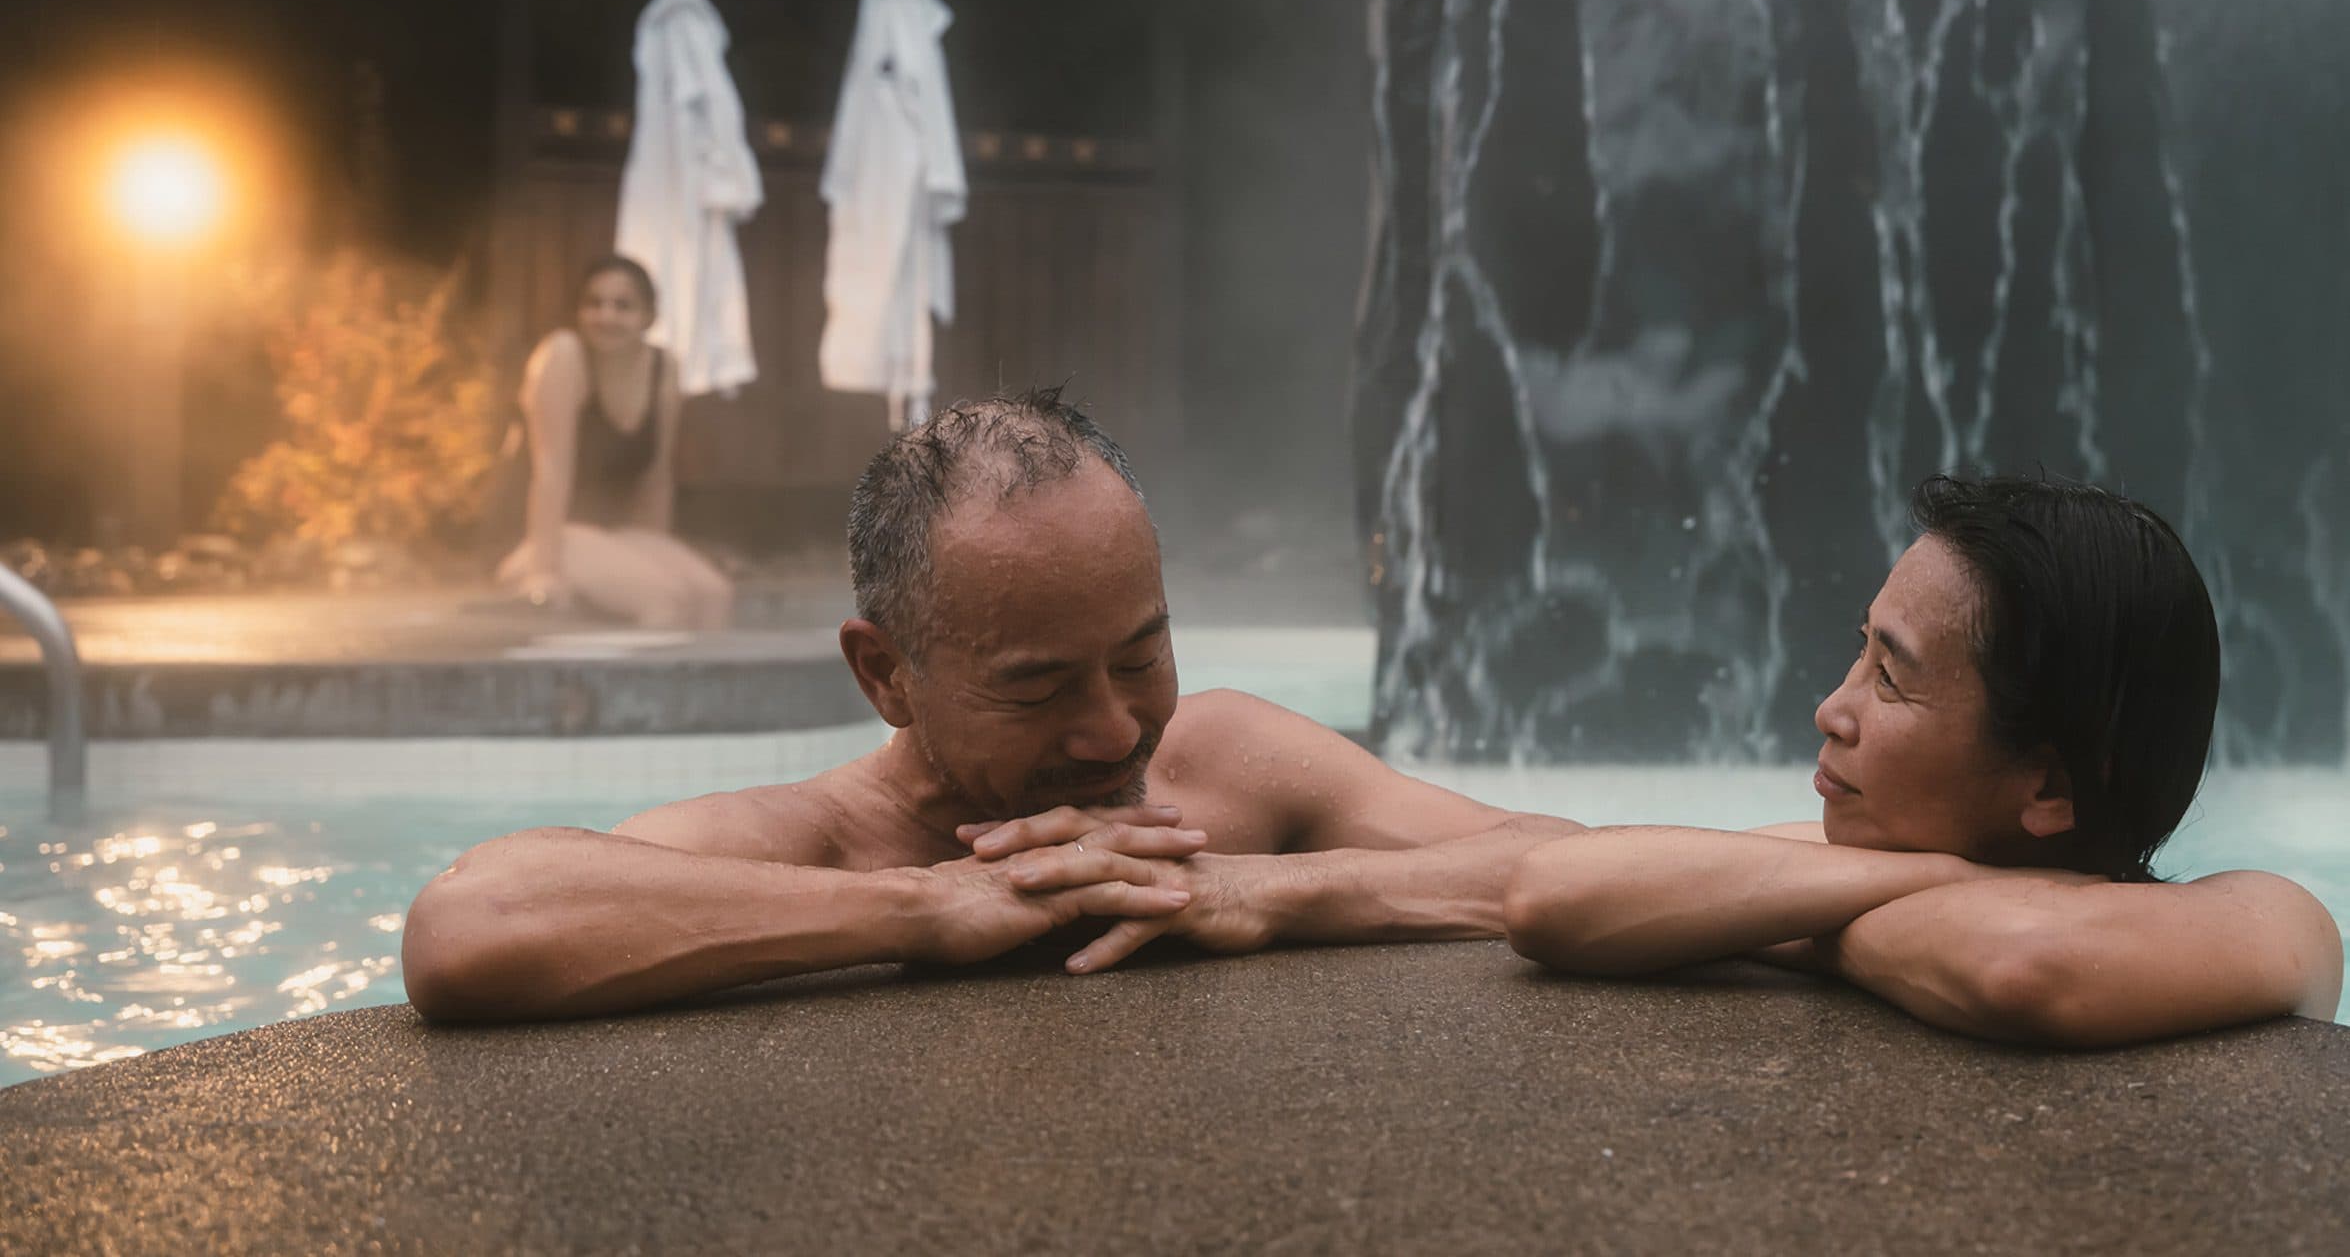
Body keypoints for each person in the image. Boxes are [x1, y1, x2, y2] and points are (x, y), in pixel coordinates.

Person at [406, 389, 1572, 1022]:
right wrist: (925, 910)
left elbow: (1575, 864)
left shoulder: (1232, 762)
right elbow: (474, 923)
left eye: (1138, 656)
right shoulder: (809, 845)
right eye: (1034, 686)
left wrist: (1269, 891)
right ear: (884, 678)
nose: (1115, 730)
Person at [1504, 474, 2343, 1048]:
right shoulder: (1885, 864)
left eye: (1891, 679)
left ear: (2048, 785)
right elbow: (1554, 893)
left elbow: (2024, 965)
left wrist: (1780, 917)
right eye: (1858, 654)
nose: (1831, 710)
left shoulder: (2279, 916)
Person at [493, 255, 734, 629]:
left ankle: (694, 687)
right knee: (663, 598)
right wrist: (541, 573)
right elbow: (550, 471)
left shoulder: (662, 368)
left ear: (649, 316)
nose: (606, 316)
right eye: (594, 303)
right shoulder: (563, 356)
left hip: (607, 536)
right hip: (540, 537)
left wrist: (649, 556)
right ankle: (651, 687)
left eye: (623, 306)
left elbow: (656, 476)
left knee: (714, 595)